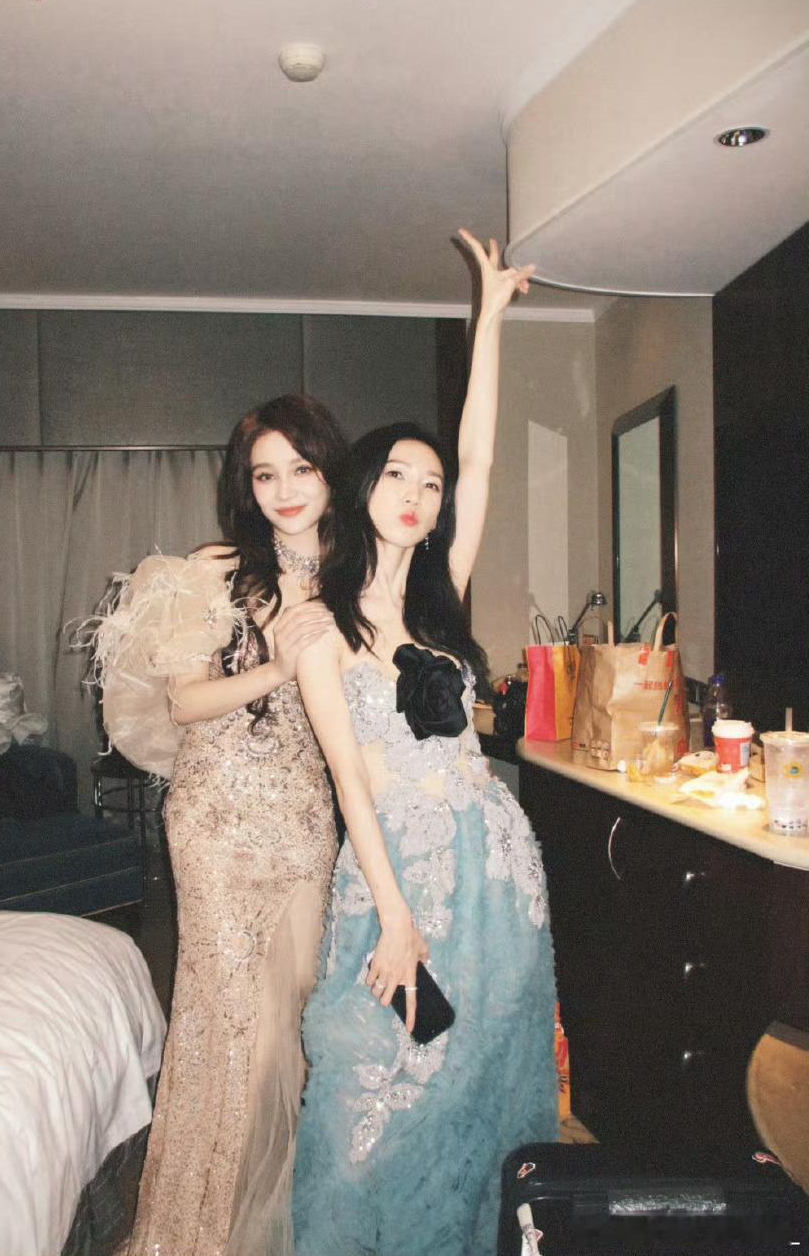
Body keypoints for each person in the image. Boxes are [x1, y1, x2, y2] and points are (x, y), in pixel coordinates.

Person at [291, 234, 558, 1256]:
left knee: (478, 1071)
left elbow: (482, 456)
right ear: (363, 486)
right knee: (372, 1085)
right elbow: (350, 784)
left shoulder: (442, 606)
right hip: (393, 883)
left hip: (494, 876)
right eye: (398, 473)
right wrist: (397, 920)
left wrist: (491, 318)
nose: (418, 491)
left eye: (431, 484)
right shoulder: (320, 627)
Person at [93, 394, 347, 1256]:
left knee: (299, 1009)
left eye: (301, 469)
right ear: (246, 486)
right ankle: (202, 1226)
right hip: (215, 816)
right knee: (228, 1013)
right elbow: (185, 702)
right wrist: (278, 665)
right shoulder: (211, 571)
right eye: (265, 475)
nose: (285, 489)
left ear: (329, 472)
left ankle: (281, 1210)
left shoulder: (355, 579)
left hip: (305, 816)